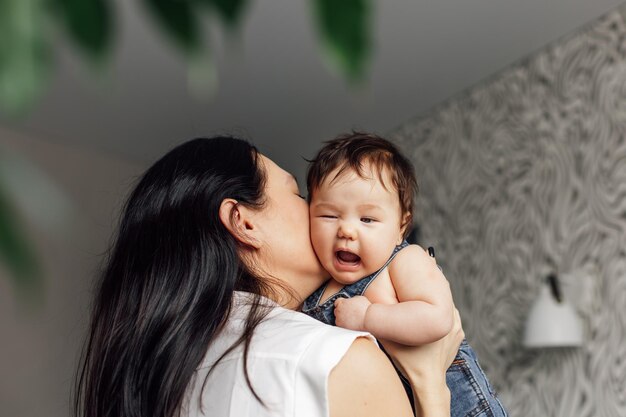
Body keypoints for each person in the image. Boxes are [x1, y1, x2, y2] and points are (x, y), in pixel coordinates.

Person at [74, 136, 464, 417]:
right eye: (299, 196)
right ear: (243, 223)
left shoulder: (169, 385)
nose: (321, 218)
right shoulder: (332, 360)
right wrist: (431, 387)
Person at [302, 132, 508, 417]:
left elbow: (438, 318)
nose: (346, 230)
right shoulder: (312, 293)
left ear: (401, 226)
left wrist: (367, 318)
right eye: (329, 216)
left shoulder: (402, 261)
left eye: (367, 219)